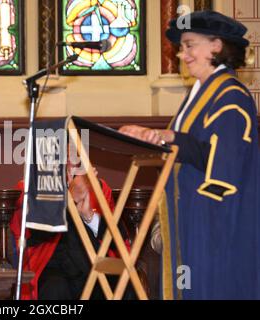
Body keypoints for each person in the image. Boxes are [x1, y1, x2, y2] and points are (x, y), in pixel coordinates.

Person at [119, 10, 260, 299]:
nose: (183, 55)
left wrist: (170, 138)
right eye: (181, 47)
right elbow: (189, 150)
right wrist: (154, 138)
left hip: (214, 225)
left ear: (217, 46)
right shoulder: (200, 95)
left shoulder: (230, 97)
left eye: (190, 45)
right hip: (190, 219)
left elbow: (224, 163)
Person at [10, 162, 131, 300]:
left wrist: (90, 217)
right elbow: (35, 232)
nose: (71, 160)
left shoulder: (99, 187)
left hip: (94, 264)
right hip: (53, 269)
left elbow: (120, 238)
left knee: (125, 282)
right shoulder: (31, 187)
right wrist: (68, 200)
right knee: (56, 288)